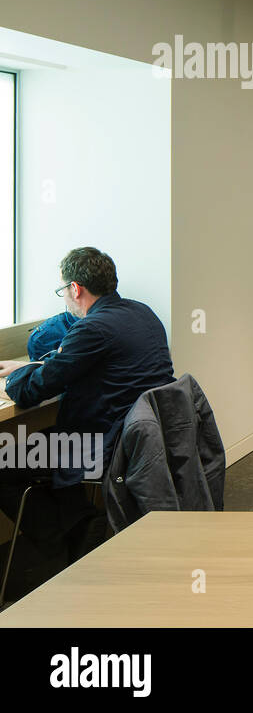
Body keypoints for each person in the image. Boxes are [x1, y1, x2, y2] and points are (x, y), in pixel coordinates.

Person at [0, 247, 174, 582]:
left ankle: (74, 530)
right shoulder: (142, 314)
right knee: (42, 444)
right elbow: (78, 362)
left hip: (98, 445)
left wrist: (16, 380)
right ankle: (77, 519)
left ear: (75, 288)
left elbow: (31, 391)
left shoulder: (91, 329)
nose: (64, 297)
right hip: (137, 438)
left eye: (62, 290)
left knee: (5, 459)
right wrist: (32, 365)